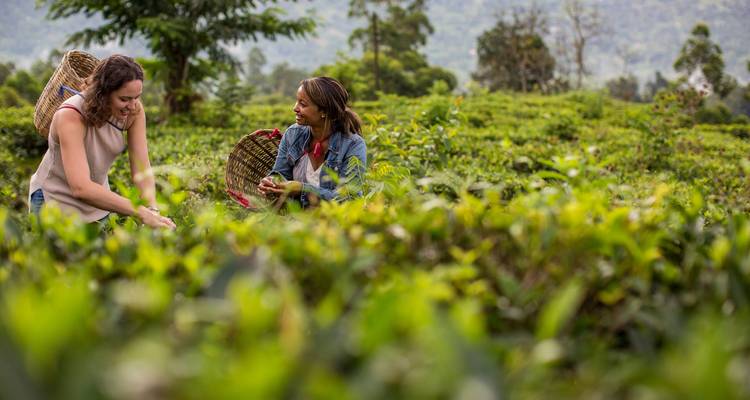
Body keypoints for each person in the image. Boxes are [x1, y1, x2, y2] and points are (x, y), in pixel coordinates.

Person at [28, 54, 175, 229]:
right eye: (124, 99)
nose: (132, 104)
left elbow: (141, 169)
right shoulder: (70, 116)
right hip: (54, 201)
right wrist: (140, 212)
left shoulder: (134, 111)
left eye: (137, 97)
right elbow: (81, 187)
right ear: (102, 94)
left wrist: (152, 210)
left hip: (98, 203)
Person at [258, 77, 367, 207]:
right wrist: (271, 182)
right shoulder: (293, 134)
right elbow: (280, 173)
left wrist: (303, 189)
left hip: (338, 221)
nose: (295, 108)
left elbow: (350, 198)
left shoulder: (353, 145)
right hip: (297, 221)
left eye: (302, 104)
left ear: (324, 111)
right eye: (297, 101)